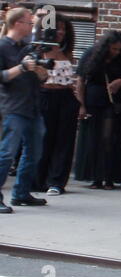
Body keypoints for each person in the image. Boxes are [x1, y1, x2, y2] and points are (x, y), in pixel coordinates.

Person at [0, 7, 47, 214]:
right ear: (18, 23)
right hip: (13, 107)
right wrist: (21, 68)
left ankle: (21, 193)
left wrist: (41, 72)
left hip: (33, 106)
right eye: (29, 23)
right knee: (6, 154)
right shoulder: (2, 46)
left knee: (34, 152)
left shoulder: (28, 47)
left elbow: (41, 77)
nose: (31, 27)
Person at [74, 31, 121, 190]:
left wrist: (120, 82)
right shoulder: (90, 55)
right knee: (93, 139)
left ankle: (109, 177)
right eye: (113, 49)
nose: (116, 52)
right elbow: (80, 80)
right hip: (93, 101)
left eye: (119, 50)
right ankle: (96, 178)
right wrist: (81, 105)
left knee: (109, 138)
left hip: (112, 104)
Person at [35, 13, 79, 195]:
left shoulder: (67, 52)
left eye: (64, 29)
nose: (61, 32)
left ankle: (57, 182)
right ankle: (38, 180)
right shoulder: (39, 51)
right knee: (43, 139)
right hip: (45, 96)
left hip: (66, 97)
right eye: (57, 28)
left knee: (64, 141)